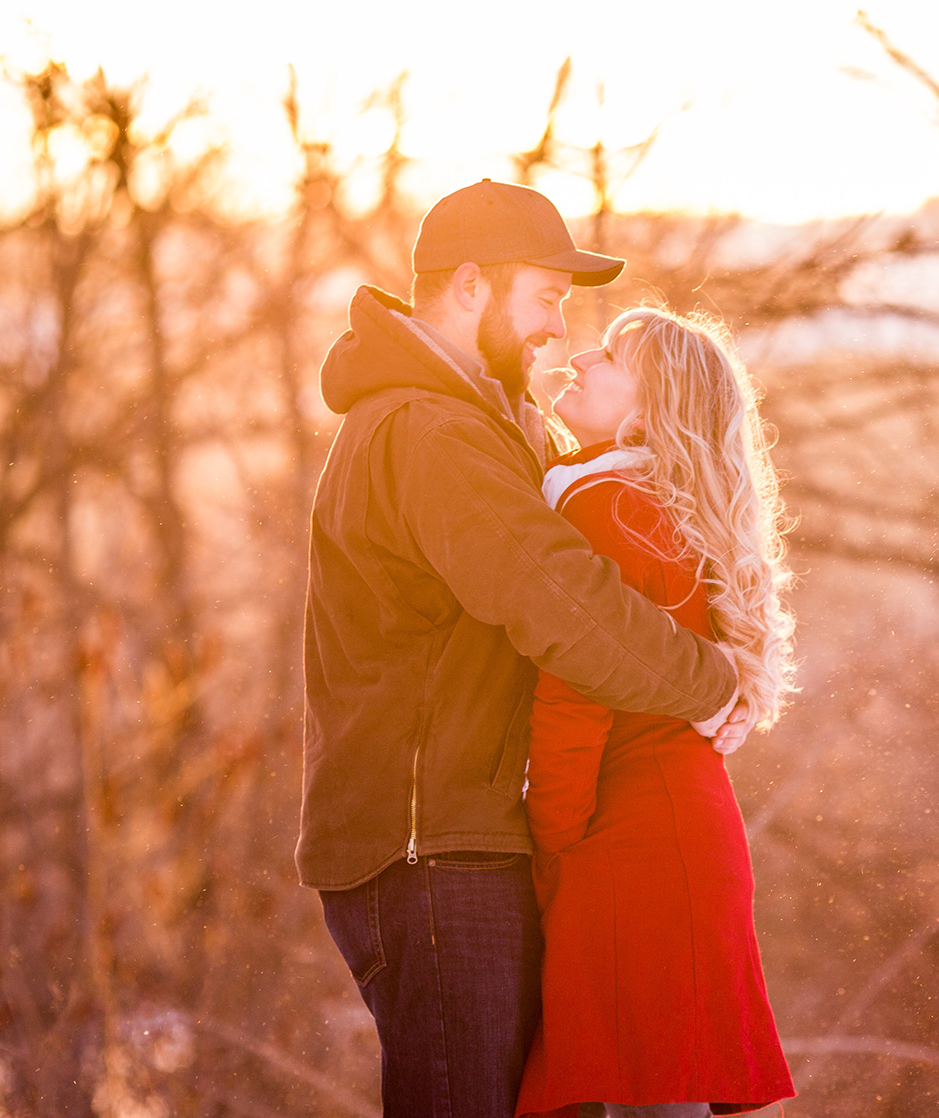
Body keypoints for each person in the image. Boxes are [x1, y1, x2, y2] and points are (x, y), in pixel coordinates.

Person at [300, 181, 753, 1118]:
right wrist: (711, 681)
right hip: (432, 853)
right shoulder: (428, 432)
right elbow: (564, 602)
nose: (556, 329)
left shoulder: (484, 416)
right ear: (470, 287)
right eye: (544, 299)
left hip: (463, 841)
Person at [516, 308, 797, 1118]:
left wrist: (551, 833)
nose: (581, 356)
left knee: (626, 1089)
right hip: (672, 827)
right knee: (674, 1087)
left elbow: (582, 680)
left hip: (632, 835)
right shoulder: (637, 497)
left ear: (649, 408)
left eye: (609, 357)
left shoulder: (610, 505)